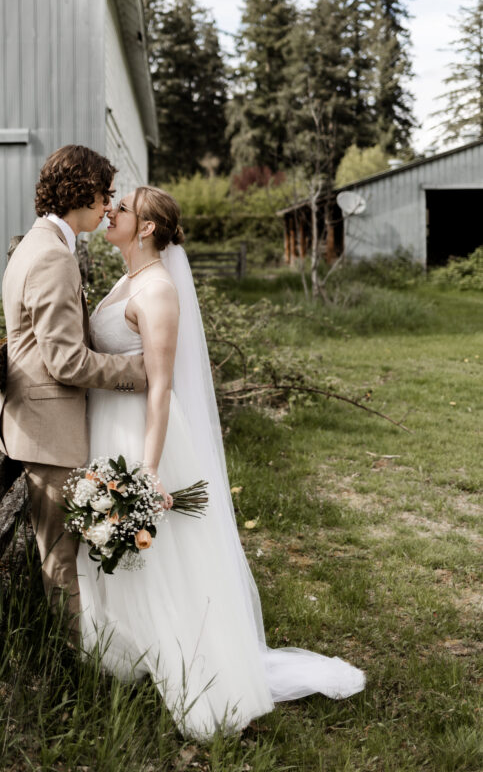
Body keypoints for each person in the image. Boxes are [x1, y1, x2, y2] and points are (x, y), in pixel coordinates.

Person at [77, 185, 365, 739]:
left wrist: (148, 468)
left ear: (146, 228)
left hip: (141, 432)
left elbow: (161, 388)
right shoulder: (127, 279)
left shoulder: (157, 290)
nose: (108, 212)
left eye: (122, 209)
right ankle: (128, 655)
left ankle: (195, 675)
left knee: (164, 561)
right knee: (123, 554)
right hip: (107, 424)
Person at [0, 145, 147, 628]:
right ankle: (76, 669)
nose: (108, 208)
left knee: (64, 554)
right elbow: (65, 360)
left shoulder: (40, 245)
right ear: (82, 192)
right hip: (48, 428)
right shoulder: (51, 256)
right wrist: (138, 373)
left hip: (41, 423)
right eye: (106, 196)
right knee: (62, 561)